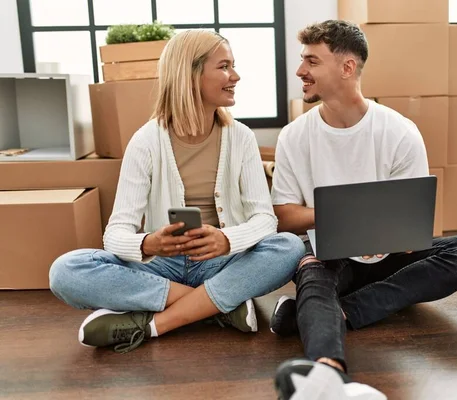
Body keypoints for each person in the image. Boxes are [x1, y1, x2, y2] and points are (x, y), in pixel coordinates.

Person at [269, 20, 457, 397]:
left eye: (311, 61)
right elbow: (285, 217)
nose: (300, 71)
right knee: (311, 268)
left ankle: (333, 312)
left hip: (389, 255)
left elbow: (411, 222)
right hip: (330, 256)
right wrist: (346, 217)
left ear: (347, 67)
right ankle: (327, 374)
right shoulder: (294, 136)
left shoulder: (398, 131)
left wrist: (390, 235)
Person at [49, 29, 305, 354]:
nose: (235, 76)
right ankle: (217, 307)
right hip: (163, 267)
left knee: (290, 246)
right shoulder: (146, 141)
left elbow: (265, 220)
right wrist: (148, 242)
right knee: (65, 270)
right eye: (224, 66)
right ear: (191, 74)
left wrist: (227, 239)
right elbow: (115, 233)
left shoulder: (240, 137)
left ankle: (156, 322)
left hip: (222, 262)